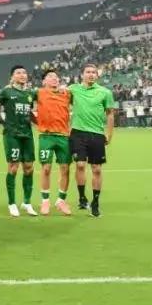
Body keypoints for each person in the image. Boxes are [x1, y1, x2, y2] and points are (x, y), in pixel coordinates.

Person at [69, 63, 116, 217]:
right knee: (80, 165)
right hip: (77, 133)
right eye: (88, 72)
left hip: (97, 134)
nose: (91, 74)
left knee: (96, 169)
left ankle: (95, 202)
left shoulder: (105, 92)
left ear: (97, 75)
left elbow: (110, 114)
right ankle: (82, 197)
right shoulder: (73, 89)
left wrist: (109, 134)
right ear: (82, 74)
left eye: (94, 72)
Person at [0, 65, 38, 217]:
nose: (22, 75)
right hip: (12, 135)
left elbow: (29, 112)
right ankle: (12, 203)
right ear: (12, 77)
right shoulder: (6, 92)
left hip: (27, 134)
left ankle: (27, 202)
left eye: (24, 73)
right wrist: (3, 123)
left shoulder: (30, 93)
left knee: (29, 168)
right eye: (18, 73)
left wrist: (38, 122)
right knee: (13, 167)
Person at [34, 69, 73, 215]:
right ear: (44, 81)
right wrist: (37, 121)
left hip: (63, 136)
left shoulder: (66, 94)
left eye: (56, 77)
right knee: (46, 168)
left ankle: (61, 200)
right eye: (50, 76)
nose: (54, 78)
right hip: (46, 136)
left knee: (65, 169)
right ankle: (45, 201)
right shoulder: (39, 93)